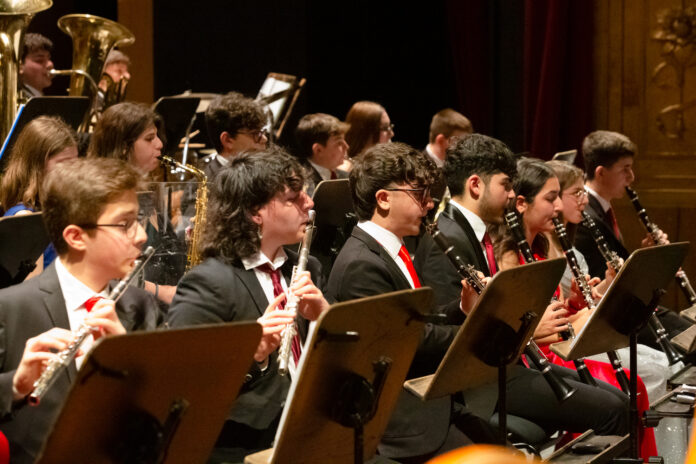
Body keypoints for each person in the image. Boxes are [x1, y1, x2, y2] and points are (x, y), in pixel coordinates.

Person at [414, 135, 629, 444]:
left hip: (503, 367)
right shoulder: (447, 239)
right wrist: (524, 332)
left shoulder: (470, 232)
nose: (513, 193)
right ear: (476, 185)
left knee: (619, 400)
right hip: (482, 382)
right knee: (612, 410)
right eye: (505, 185)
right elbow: (453, 333)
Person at [327, 142, 497, 463]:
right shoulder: (362, 264)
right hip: (397, 419)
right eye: (419, 194)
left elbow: (418, 322)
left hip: (427, 399)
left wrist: (462, 308)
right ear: (383, 199)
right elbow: (407, 341)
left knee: (500, 449)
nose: (430, 204)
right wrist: (478, 331)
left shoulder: (395, 249)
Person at [167, 147, 329, 463]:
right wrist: (254, 357)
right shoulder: (210, 283)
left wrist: (326, 319)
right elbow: (183, 385)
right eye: (294, 198)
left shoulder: (307, 267)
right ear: (256, 212)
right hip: (244, 448)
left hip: (309, 432)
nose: (309, 204)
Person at [0, 157, 161, 464]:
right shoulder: (10, 308)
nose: (140, 235)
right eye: (125, 224)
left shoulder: (141, 306)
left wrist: (128, 359)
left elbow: (160, 414)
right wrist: (15, 387)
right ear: (75, 237)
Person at [496, 158, 654, 458]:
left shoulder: (539, 247)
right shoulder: (507, 256)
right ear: (520, 204)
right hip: (538, 358)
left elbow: (552, 310)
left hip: (558, 349)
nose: (558, 208)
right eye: (551, 198)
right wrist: (572, 321)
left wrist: (576, 302)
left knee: (632, 391)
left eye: (559, 197)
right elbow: (521, 326)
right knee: (622, 398)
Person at [574, 130, 693, 345]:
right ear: (601, 173)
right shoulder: (585, 219)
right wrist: (655, 264)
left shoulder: (600, 209)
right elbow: (614, 283)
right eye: (625, 169)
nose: (631, 177)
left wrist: (649, 256)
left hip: (631, 309)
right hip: (616, 318)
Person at [0, 116, 78, 278]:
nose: (73, 172)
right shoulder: (25, 218)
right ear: (37, 165)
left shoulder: (55, 209)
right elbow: (32, 294)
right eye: (64, 163)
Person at [203, 92, 268, 179]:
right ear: (228, 140)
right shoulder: (205, 186)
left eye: (262, 132)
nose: (264, 139)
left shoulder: (260, 174)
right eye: (255, 134)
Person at [293, 113, 349, 196]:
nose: (347, 147)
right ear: (318, 150)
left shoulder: (346, 177)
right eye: (339, 143)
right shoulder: (303, 185)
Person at [341, 101, 393, 171]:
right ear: (366, 132)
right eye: (385, 128)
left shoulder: (389, 163)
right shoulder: (344, 170)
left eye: (390, 127)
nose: (392, 134)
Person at [19, 33, 53, 100]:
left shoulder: (38, 97)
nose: (50, 64)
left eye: (49, 58)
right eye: (40, 60)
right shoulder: (19, 99)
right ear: (20, 66)